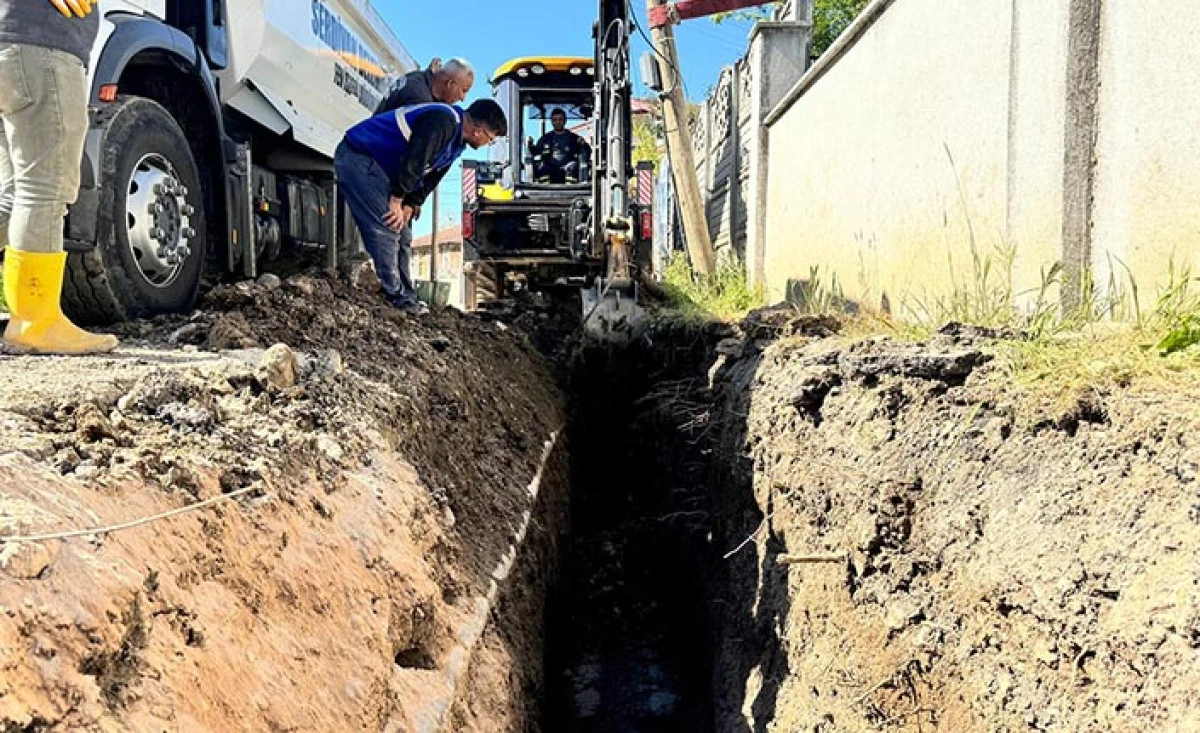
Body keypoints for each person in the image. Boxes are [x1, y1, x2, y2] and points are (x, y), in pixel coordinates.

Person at [0, 0, 117, 354]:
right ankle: (36, 323)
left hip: (16, 45)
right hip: (40, 48)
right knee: (45, 189)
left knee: (14, 194)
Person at [336, 99, 506, 312]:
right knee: (388, 225)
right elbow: (414, 160)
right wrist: (397, 199)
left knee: (404, 234)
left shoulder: (458, 142)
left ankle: (407, 296)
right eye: (490, 140)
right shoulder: (442, 122)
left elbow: (432, 175)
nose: (486, 145)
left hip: (385, 170)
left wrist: (412, 202)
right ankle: (395, 298)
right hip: (360, 157)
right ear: (479, 131)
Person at [376, 58, 475, 114]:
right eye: (464, 91)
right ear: (450, 84)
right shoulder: (419, 99)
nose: (463, 98)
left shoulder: (417, 78)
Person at [529, 108, 590, 184]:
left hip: (568, 167)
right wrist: (530, 146)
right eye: (555, 120)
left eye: (560, 119)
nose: (557, 122)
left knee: (573, 166)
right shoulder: (545, 138)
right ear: (552, 121)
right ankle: (545, 189)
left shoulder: (573, 138)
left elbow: (587, 152)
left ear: (565, 121)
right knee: (542, 167)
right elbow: (536, 152)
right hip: (550, 169)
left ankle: (570, 189)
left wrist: (583, 144)